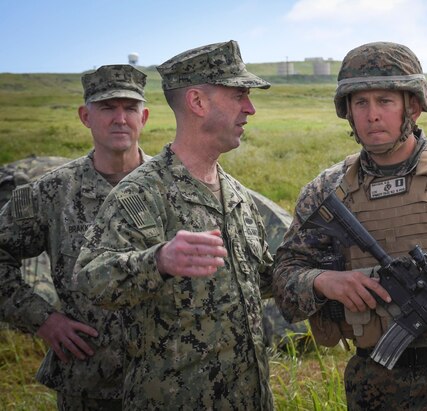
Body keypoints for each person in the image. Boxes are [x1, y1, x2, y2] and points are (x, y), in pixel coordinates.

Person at [273, 41, 427, 410]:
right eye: (360, 103)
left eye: (384, 101)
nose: (372, 115)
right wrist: (323, 282)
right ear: (347, 112)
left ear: (411, 106)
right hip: (375, 388)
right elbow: (283, 280)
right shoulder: (328, 190)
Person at [73, 40, 275, 410]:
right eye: (239, 95)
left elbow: (260, 280)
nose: (250, 108)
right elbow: (90, 281)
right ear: (198, 103)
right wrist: (159, 261)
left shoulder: (237, 195)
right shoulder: (141, 193)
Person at [0, 64, 150, 410]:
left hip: (169, 378)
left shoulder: (173, 186)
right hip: (88, 383)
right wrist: (43, 319)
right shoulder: (50, 192)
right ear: (85, 115)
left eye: (129, 108)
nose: (120, 118)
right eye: (107, 107)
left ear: (144, 116)